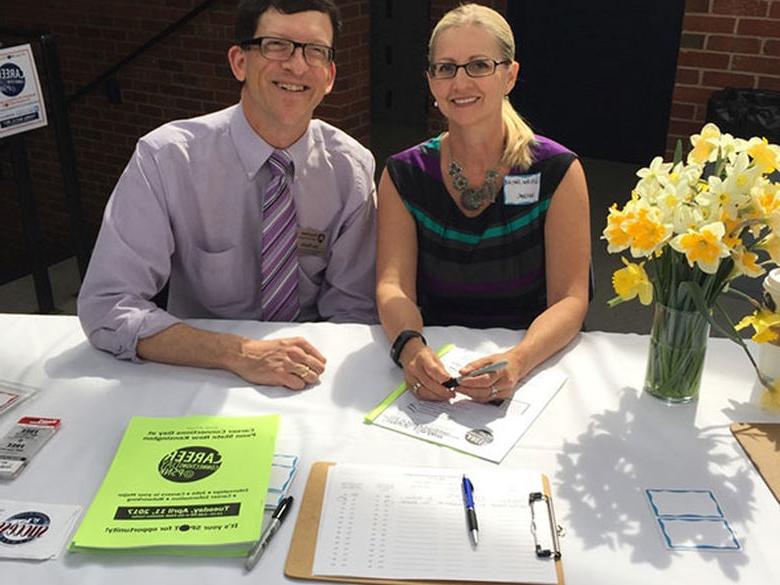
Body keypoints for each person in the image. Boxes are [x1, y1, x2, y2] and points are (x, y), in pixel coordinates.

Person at [78, 0, 377, 389]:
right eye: (277, 45)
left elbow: (352, 311)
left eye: (314, 51)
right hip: (200, 372)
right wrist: (237, 353)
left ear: (329, 75)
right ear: (239, 62)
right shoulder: (167, 158)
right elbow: (107, 305)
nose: (297, 65)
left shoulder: (351, 169)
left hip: (307, 375)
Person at [376, 4, 590, 403]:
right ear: (430, 80)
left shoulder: (557, 170)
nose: (460, 83)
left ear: (510, 75)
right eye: (446, 68)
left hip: (532, 364)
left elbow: (570, 299)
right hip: (433, 365)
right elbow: (393, 286)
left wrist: (519, 360)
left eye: (478, 65)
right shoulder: (404, 175)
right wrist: (411, 349)